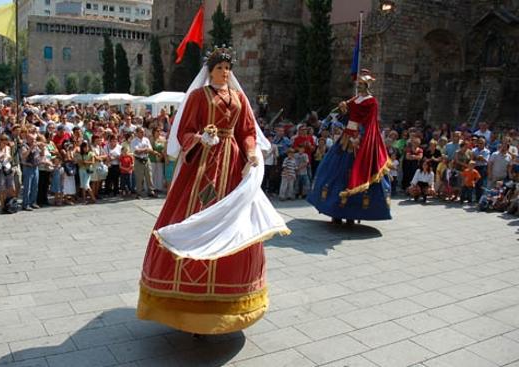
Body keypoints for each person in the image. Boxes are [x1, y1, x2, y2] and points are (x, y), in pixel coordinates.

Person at [136, 47, 289, 335]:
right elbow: (184, 131)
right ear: (210, 71)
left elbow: (246, 131)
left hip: (231, 166)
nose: (225, 73)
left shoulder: (239, 97)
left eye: (229, 69)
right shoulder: (197, 96)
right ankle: (186, 304)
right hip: (202, 166)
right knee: (191, 214)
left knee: (234, 222)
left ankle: (226, 303)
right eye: (221, 68)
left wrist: (251, 151)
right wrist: (200, 138)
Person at [307, 70, 392, 224]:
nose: (358, 86)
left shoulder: (371, 101)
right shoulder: (356, 98)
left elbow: (369, 122)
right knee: (334, 171)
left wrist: (359, 137)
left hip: (359, 139)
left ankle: (352, 213)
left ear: (366, 85)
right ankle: (335, 211)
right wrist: (344, 108)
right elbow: (346, 117)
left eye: (361, 84)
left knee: (352, 172)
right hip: (346, 136)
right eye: (358, 84)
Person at [131, 127, 158, 198]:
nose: (143, 133)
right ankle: (138, 193)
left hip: (146, 159)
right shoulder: (134, 141)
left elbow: (150, 149)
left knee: (149, 175)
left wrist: (144, 150)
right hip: (138, 160)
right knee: (139, 177)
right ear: (137, 133)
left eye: (143, 132)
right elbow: (137, 151)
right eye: (141, 132)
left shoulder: (146, 139)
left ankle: (151, 191)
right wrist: (145, 149)